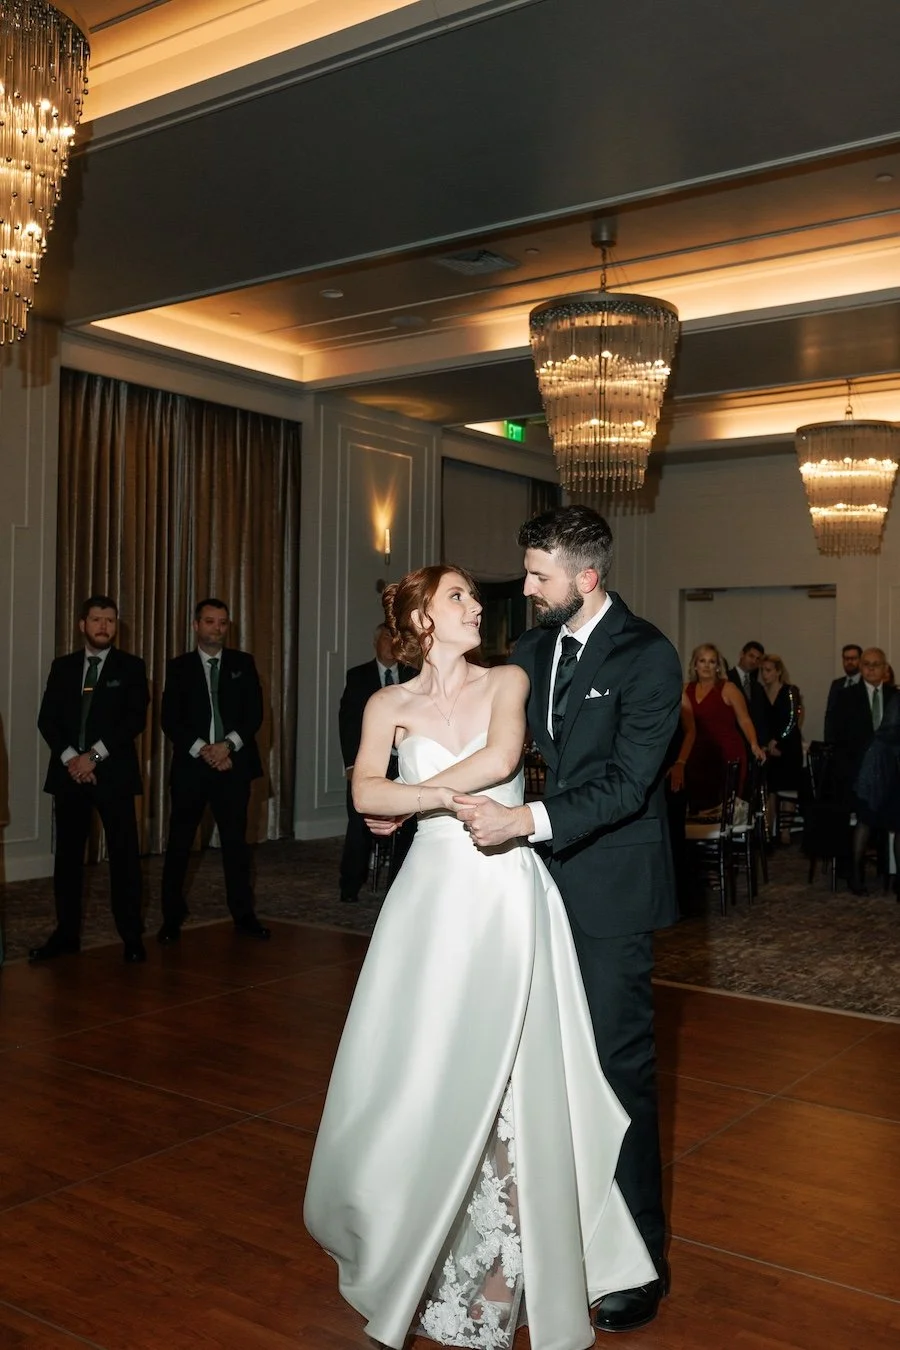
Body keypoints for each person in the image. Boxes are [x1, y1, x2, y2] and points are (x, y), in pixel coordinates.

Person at [304, 563, 655, 1350]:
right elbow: (364, 797)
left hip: (502, 895)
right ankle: (417, 1240)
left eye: (470, 595)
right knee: (426, 1069)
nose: (474, 605)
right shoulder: (385, 703)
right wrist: (433, 801)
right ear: (422, 618)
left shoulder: (507, 682)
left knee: (512, 1076)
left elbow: (500, 763)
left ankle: (511, 1262)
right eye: (456, 595)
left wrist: (416, 792)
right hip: (428, 899)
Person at [454, 505, 684, 1335]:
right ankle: (541, 1235)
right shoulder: (528, 649)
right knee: (527, 1071)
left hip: (609, 893)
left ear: (587, 577)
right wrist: (411, 795)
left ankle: (637, 1261)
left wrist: (529, 823)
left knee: (617, 1074)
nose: (524, 586)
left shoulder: (649, 656)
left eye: (538, 575)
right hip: (523, 889)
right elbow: (492, 752)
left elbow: (627, 785)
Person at [31, 595, 149, 964]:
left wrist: (93, 757)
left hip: (112, 775)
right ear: (82, 624)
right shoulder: (62, 667)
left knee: (124, 857)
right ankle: (66, 935)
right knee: (67, 859)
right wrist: (72, 760)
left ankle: (131, 935)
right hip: (70, 777)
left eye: (110, 621)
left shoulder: (131, 667)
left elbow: (133, 721)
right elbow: (47, 719)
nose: (104, 627)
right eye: (97, 620)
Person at [158, 598, 269, 943]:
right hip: (192, 768)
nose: (216, 629)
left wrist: (227, 746)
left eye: (222, 623)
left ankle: (243, 914)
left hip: (232, 766)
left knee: (236, 846)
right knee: (179, 844)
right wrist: (203, 751)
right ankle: (171, 918)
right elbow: (169, 719)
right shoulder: (178, 668)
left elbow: (254, 714)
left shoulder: (243, 663)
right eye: (209, 622)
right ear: (196, 626)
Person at [337, 622, 417, 901]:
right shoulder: (358, 677)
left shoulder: (413, 676)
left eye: (397, 637)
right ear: (376, 642)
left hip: (404, 763)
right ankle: (349, 885)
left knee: (409, 825)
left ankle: (398, 886)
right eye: (387, 636)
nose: (392, 642)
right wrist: (350, 765)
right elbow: (348, 724)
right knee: (359, 826)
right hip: (367, 763)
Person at [830, 647, 898, 894]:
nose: (871, 668)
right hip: (860, 773)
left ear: (885, 668)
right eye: (866, 664)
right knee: (864, 822)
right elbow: (838, 737)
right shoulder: (847, 696)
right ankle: (855, 875)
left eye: (876, 664)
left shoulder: (894, 696)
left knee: (898, 822)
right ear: (861, 668)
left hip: (891, 772)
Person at [679, 644, 765, 812]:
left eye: (712, 662)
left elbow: (745, 720)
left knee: (723, 808)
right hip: (696, 754)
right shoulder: (685, 690)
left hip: (727, 754)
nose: (706, 666)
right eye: (702, 661)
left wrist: (754, 744)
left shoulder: (728, 688)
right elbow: (688, 728)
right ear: (695, 665)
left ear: (718, 667)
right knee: (698, 807)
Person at [726, 639, 768, 744]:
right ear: (742, 654)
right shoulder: (726, 679)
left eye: (758, 659)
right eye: (751, 656)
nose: (754, 661)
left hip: (751, 743)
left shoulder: (758, 687)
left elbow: (761, 716)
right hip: (730, 739)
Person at [824, 643, 862, 741]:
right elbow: (830, 715)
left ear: (860, 660)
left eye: (853, 658)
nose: (849, 662)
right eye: (846, 659)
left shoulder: (866, 684)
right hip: (838, 742)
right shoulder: (836, 684)